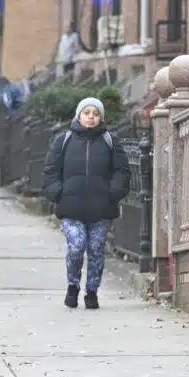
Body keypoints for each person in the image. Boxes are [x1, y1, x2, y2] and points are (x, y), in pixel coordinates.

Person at [41, 96, 130, 310]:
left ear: (100, 118)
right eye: (87, 113)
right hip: (71, 207)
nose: (91, 117)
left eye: (95, 114)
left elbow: (122, 171)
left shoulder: (110, 141)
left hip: (101, 209)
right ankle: (73, 286)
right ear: (79, 115)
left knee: (96, 249)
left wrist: (113, 193)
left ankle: (92, 291)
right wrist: (57, 193)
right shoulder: (64, 140)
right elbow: (51, 170)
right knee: (76, 246)